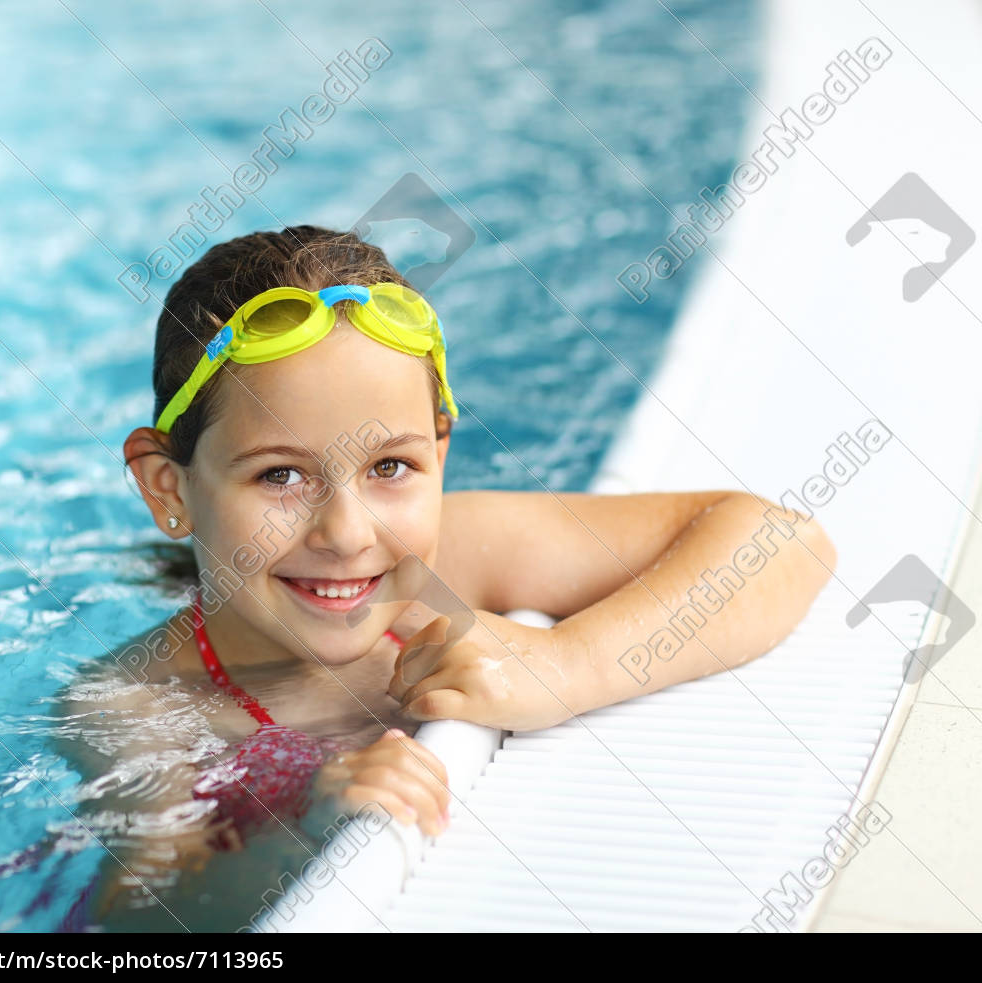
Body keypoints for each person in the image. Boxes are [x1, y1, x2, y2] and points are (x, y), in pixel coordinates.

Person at [48, 225, 835, 930]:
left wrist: (568, 664)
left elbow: (784, 541)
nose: (348, 533)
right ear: (168, 486)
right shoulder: (136, 704)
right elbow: (137, 916)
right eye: (281, 476)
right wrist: (303, 833)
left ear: (441, 453)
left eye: (391, 465)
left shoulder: (446, 561)